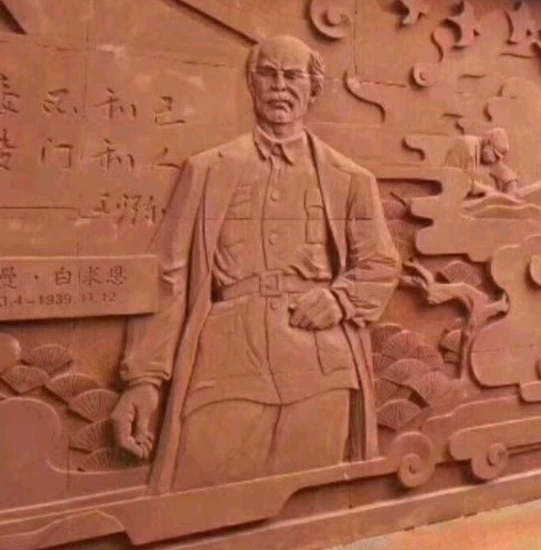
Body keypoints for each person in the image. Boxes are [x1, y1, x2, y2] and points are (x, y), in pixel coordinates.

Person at [111, 35, 400, 492]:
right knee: (201, 492)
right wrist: (145, 378)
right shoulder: (208, 170)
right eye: (268, 74)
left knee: (316, 492)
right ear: (251, 82)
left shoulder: (349, 178)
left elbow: (380, 263)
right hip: (227, 357)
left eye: (293, 76)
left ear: (313, 88)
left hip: (320, 362)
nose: (279, 87)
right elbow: (168, 275)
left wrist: (339, 300)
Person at [444, 127, 518, 196]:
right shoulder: (465, 145)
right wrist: (483, 189)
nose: (494, 160)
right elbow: (449, 177)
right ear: (488, 142)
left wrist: (511, 182)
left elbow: (502, 170)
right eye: (495, 155)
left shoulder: (488, 154)